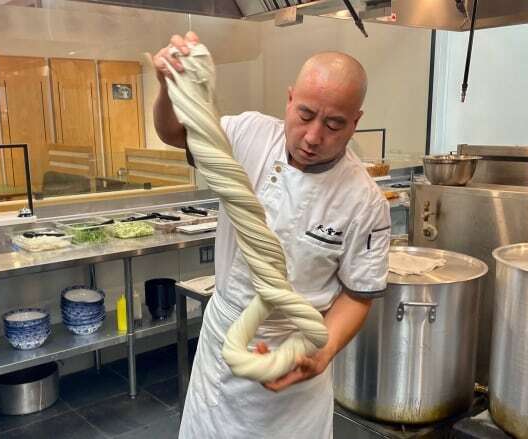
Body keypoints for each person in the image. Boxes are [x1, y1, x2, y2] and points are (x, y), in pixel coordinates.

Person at [152, 32, 390, 439]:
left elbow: (358, 294)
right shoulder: (247, 135)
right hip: (224, 346)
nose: (314, 137)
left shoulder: (364, 201)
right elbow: (175, 133)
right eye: (305, 115)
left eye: (334, 124)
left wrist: (323, 351)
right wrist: (168, 84)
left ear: (356, 122)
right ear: (289, 98)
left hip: (296, 353)